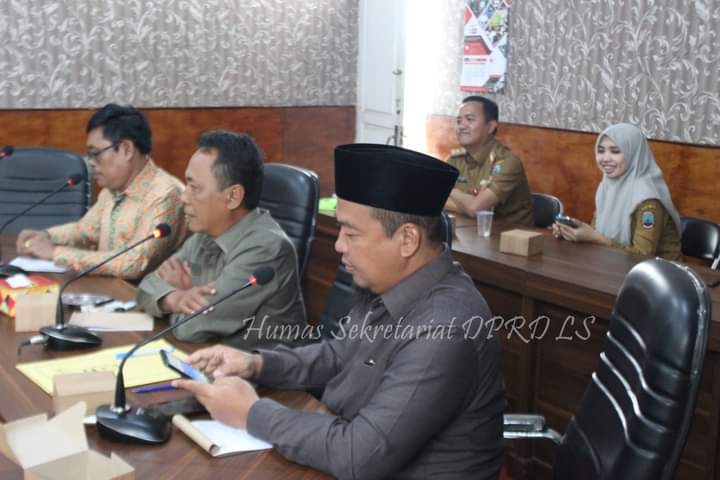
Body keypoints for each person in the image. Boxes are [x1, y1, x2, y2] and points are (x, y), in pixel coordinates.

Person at [173, 144, 506, 479]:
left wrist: (251, 413)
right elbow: (340, 354)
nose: (338, 245)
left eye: (352, 234)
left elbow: (360, 455)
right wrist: (257, 364)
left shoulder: (444, 328)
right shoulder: (387, 284)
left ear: (407, 240)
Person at [136, 130, 307, 349]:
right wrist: (176, 298)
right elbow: (146, 287)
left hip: (263, 368)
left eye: (195, 187)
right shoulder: (204, 234)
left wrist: (179, 298)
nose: (183, 197)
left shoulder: (267, 248)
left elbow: (191, 326)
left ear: (233, 196)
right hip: (207, 356)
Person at [15, 103, 187, 281]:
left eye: (95, 153)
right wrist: (47, 236)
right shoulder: (112, 190)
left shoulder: (165, 195)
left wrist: (55, 253)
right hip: (105, 290)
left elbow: (133, 264)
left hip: (141, 296)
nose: (91, 162)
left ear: (126, 149)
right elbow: (85, 231)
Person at [553, 123, 682, 260]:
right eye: (601, 151)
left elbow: (642, 256)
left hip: (660, 271)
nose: (605, 158)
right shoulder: (607, 187)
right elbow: (596, 232)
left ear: (634, 154)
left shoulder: (648, 200)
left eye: (615, 151)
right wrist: (572, 233)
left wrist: (596, 238)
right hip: (613, 265)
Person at [445, 95, 534, 226]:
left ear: (491, 126)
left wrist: (448, 190)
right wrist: (467, 206)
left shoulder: (508, 162)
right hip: (471, 231)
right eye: (458, 121)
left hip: (509, 235)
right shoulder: (455, 160)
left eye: (469, 119)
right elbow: (434, 198)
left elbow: (475, 209)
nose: (461, 126)